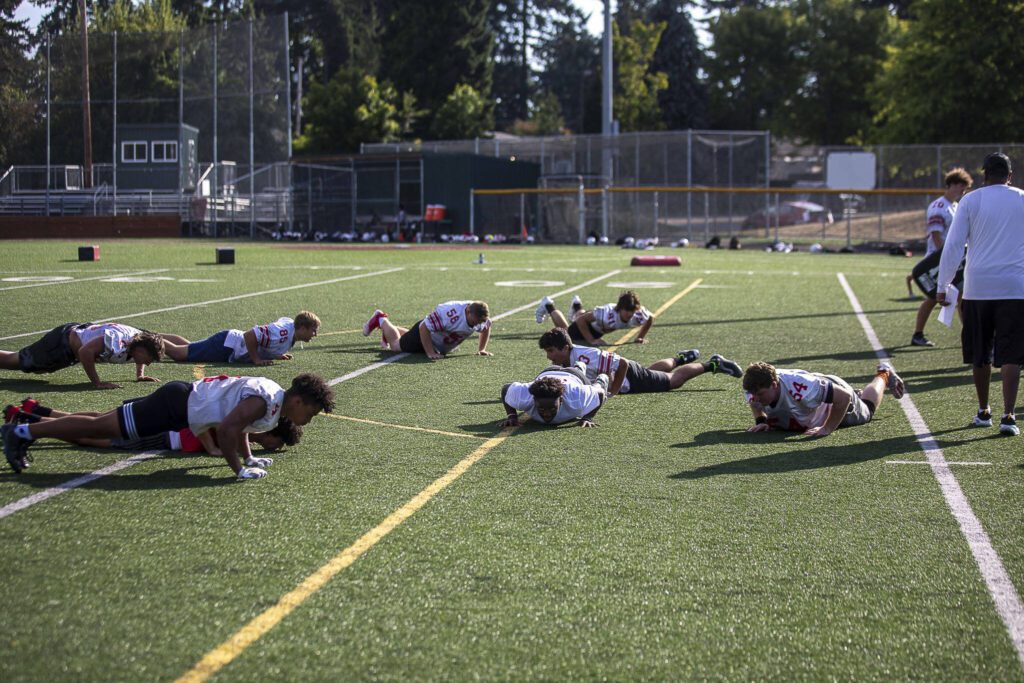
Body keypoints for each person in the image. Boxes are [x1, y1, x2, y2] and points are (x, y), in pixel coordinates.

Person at [1, 373, 335, 478]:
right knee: (102, 429)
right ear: (299, 401)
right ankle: (21, 431)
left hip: (180, 405)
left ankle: (30, 423)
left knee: (102, 424)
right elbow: (230, 430)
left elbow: (242, 430)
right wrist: (238, 470)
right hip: (175, 405)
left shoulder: (273, 399)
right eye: (313, 411)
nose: (310, 418)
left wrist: (250, 459)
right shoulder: (267, 400)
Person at [937, 152, 1024, 436]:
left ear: (984, 174)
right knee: (1012, 354)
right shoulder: (1022, 198)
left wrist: (942, 285)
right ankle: (1009, 415)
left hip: (978, 287)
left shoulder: (970, 200)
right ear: (1009, 175)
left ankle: (984, 410)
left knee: (980, 351)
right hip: (1015, 287)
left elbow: (953, 246)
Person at [3, 398, 301, 455]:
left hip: (169, 426)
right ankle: (27, 424)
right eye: (280, 444)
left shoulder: (246, 427)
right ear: (274, 435)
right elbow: (210, 426)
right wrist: (212, 448)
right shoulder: (243, 425)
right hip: (167, 434)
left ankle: (34, 413)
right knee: (94, 436)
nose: (277, 449)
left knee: (99, 420)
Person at [537, 327, 742, 396]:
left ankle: (712, 364)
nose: (549, 356)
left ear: (565, 347)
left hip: (630, 376)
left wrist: (613, 392)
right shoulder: (566, 359)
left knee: (672, 381)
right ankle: (681, 358)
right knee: (653, 371)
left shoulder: (586, 355)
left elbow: (623, 364)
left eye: (551, 351)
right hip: (629, 375)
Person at [742, 361, 905, 437]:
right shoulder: (753, 386)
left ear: (775, 384)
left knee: (867, 411)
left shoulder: (801, 389)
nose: (755, 398)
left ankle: (884, 373)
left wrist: (827, 428)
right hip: (814, 396)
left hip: (832, 398)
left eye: (761, 394)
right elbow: (755, 401)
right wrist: (761, 421)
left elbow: (843, 397)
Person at [908, 168, 973, 346]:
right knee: (933, 298)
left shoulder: (955, 206)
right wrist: (946, 261)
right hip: (938, 261)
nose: (963, 191)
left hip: (952, 260)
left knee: (959, 297)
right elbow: (936, 236)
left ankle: (968, 335)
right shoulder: (940, 206)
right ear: (952, 184)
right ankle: (918, 334)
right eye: (962, 187)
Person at [0, 322, 166, 389]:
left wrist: (140, 375)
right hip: (63, 342)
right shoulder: (119, 341)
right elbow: (84, 352)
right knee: (19, 362)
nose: (148, 363)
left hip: (70, 343)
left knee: (32, 368)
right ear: (142, 350)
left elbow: (138, 353)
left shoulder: (137, 342)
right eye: (149, 359)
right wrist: (97, 383)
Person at [163, 311, 320, 366]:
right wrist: (256, 359)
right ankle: (145, 338)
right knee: (178, 354)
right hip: (227, 347)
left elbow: (267, 341)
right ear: (303, 328)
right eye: (313, 330)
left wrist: (275, 353)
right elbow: (250, 335)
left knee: (189, 347)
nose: (315, 334)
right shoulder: (282, 333)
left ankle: (154, 335)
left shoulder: (290, 331)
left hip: (228, 343)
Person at [363, 301, 491, 360]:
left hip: (435, 340)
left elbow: (486, 328)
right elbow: (424, 327)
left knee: (406, 336)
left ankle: (389, 330)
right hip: (424, 336)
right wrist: (430, 352)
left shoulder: (478, 316)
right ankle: (380, 319)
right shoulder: (449, 313)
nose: (477, 324)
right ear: (468, 311)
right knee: (396, 346)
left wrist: (481, 349)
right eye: (476, 321)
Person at [500, 365, 607, 428]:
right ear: (533, 399)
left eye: (552, 408)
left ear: (561, 400)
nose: (546, 414)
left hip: (575, 376)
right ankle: (578, 366)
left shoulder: (577, 397)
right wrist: (512, 416)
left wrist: (587, 417)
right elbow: (506, 388)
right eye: (541, 408)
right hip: (548, 371)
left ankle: (599, 379)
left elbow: (600, 393)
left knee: (596, 387)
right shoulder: (524, 395)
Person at [535, 291, 654, 345]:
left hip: (595, 325)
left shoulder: (638, 314)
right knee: (565, 333)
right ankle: (548, 305)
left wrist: (640, 337)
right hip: (587, 326)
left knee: (584, 316)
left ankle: (577, 305)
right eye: (627, 310)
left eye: (632, 311)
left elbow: (650, 318)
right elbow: (581, 320)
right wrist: (591, 340)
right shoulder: (608, 314)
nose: (629, 314)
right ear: (620, 308)